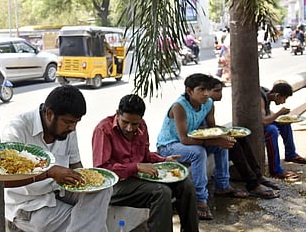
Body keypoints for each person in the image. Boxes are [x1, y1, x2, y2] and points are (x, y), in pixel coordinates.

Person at [1, 85, 112, 232]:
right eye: (68, 122)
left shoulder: (68, 129)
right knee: (93, 224)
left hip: (60, 191)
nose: (72, 128)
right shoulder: (16, 130)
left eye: (76, 122)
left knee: (104, 188)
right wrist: (48, 173)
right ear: (49, 114)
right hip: (28, 204)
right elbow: (4, 180)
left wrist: (88, 181)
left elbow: (75, 164)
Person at [92, 94, 198, 232]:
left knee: (186, 184)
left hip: (137, 179)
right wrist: (135, 167)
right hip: (115, 186)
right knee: (161, 193)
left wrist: (164, 160)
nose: (130, 128)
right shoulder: (103, 130)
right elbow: (102, 170)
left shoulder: (142, 126)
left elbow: (145, 155)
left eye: (134, 124)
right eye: (125, 122)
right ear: (117, 114)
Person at [156, 73, 247, 221]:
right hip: (169, 145)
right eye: (201, 89)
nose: (206, 93)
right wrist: (216, 141)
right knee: (198, 152)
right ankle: (200, 199)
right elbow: (184, 139)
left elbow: (211, 128)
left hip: (190, 141)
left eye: (208, 89)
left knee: (222, 145)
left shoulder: (208, 103)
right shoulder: (179, 106)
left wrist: (223, 136)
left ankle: (222, 186)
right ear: (189, 91)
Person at [208, 78, 280, 198]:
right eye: (216, 91)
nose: (220, 94)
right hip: (195, 141)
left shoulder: (208, 104)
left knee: (240, 138)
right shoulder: (190, 105)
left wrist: (228, 131)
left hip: (209, 136)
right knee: (233, 144)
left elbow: (211, 126)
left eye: (221, 91)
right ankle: (252, 183)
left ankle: (257, 175)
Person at [261, 81, 306, 180]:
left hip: (263, 121)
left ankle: (291, 154)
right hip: (256, 125)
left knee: (285, 123)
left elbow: (267, 113)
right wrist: (278, 113)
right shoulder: (261, 98)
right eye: (284, 98)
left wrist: (280, 116)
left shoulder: (269, 94)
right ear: (277, 95)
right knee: (272, 130)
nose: (284, 102)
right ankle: (275, 170)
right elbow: (263, 121)